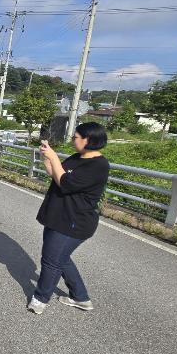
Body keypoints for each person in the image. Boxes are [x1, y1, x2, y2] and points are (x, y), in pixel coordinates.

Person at [28, 122, 110, 315]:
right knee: (60, 258)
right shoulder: (77, 158)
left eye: (76, 137)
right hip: (59, 216)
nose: (73, 140)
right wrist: (47, 159)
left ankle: (40, 299)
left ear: (88, 140)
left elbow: (66, 184)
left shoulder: (98, 166)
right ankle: (80, 297)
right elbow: (58, 176)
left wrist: (55, 157)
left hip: (74, 222)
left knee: (51, 260)